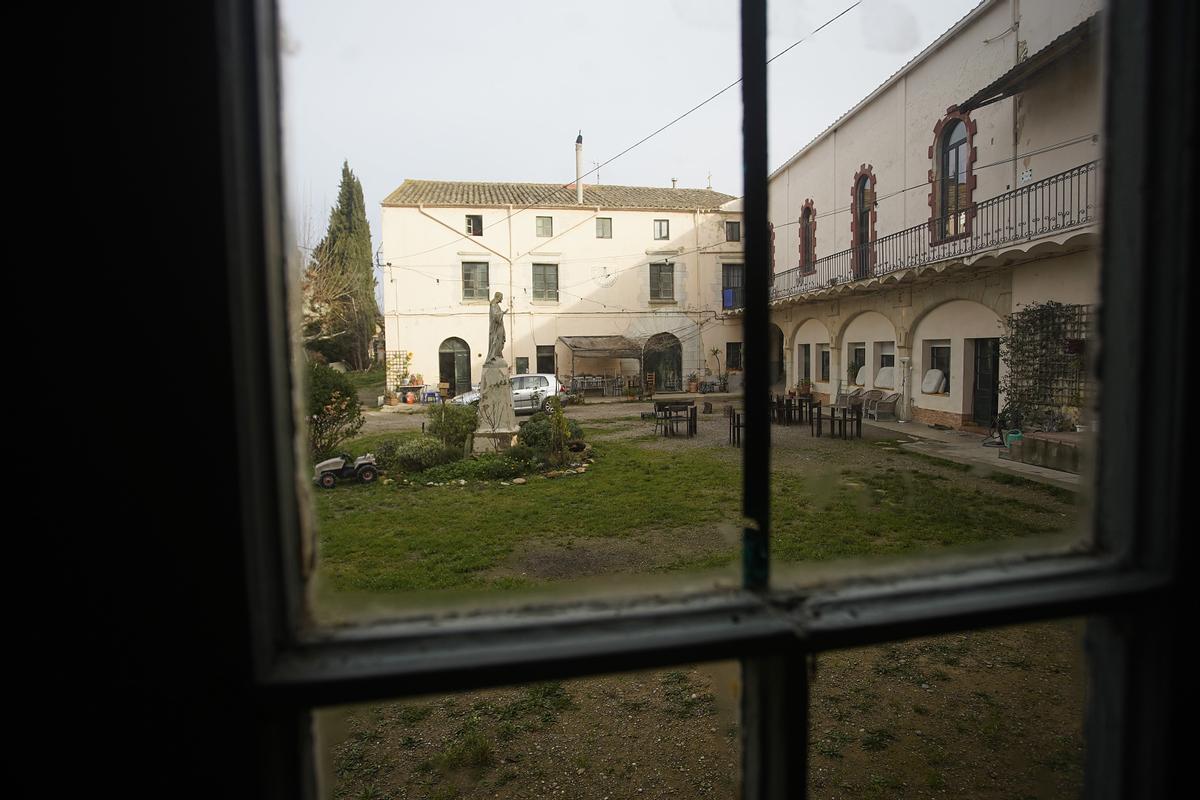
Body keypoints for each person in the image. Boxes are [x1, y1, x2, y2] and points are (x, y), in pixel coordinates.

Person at [485, 291, 506, 364]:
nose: (502, 299)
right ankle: (493, 356)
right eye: (501, 297)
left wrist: (502, 313)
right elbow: (495, 315)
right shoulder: (493, 304)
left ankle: (497, 355)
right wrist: (502, 313)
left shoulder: (496, 305)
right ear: (498, 297)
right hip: (495, 328)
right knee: (496, 341)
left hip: (499, 326)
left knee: (499, 341)